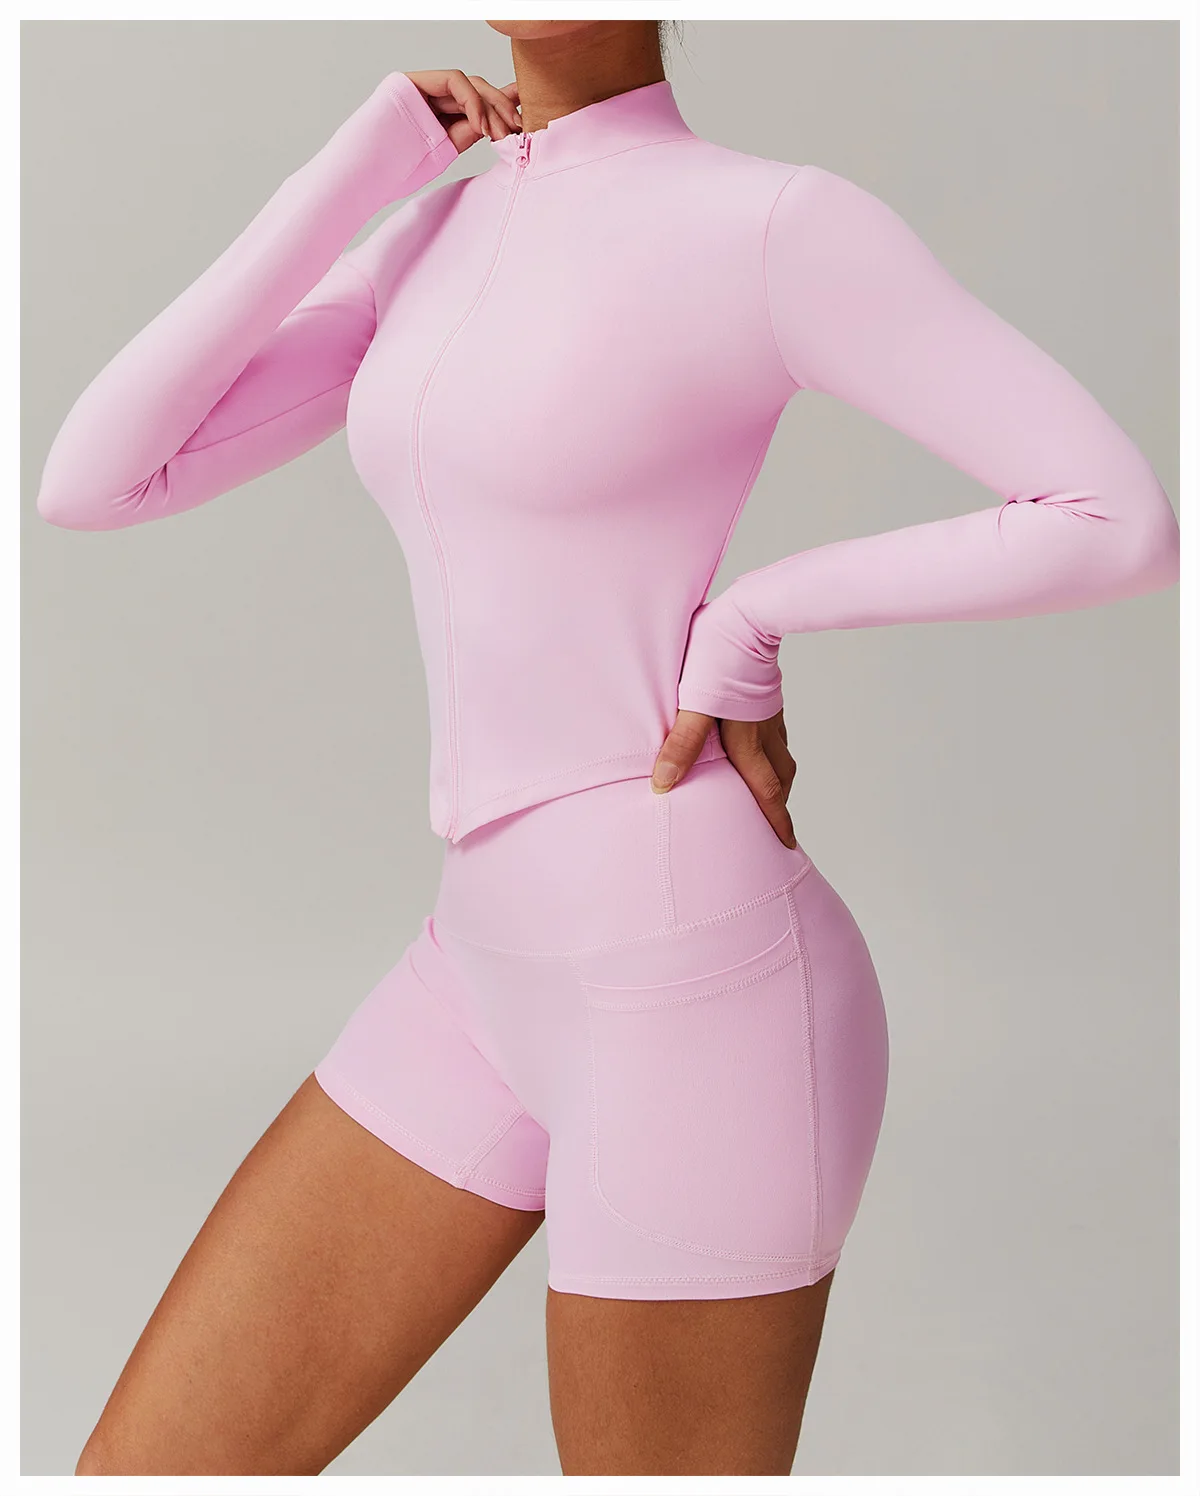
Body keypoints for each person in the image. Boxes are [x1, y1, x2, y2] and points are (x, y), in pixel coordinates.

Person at [36, 17, 1179, 1479]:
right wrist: (362, 166)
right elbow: (97, 477)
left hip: (697, 987)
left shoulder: (772, 225)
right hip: (474, 973)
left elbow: (1116, 518)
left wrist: (755, 615)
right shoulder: (427, 236)